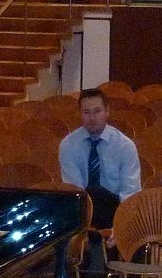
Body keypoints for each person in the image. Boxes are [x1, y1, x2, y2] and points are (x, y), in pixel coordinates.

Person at [56, 87, 142, 227]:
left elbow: (130, 193)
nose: (92, 118)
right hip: (82, 211)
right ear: (80, 114)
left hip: (116, 210)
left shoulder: (125, 146)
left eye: (97, 111)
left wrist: (121, 225)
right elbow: (75, 191)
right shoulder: (68, 145)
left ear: (107, 111)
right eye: (86, 112)